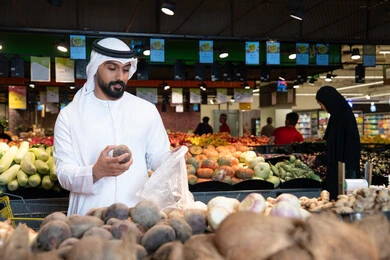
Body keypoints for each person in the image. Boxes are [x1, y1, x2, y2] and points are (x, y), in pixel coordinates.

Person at [54, 37, 171, 216]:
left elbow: (158, 157)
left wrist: (173, 161)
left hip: (136, 217)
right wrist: (94, 172)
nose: (119, 77)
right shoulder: (69, 116)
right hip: (88, 218)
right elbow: (63, 174)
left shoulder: (146, 110)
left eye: (125, 70)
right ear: (95, 67)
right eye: (112, 68)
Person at [316, 86, 361, 201]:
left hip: (343, 171)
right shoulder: (339, 116)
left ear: (328, 101)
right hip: (339, 168)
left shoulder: (342, 117)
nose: (321, 107)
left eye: (321, 104)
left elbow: (338, 148)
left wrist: (321, 159)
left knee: (340, 202)